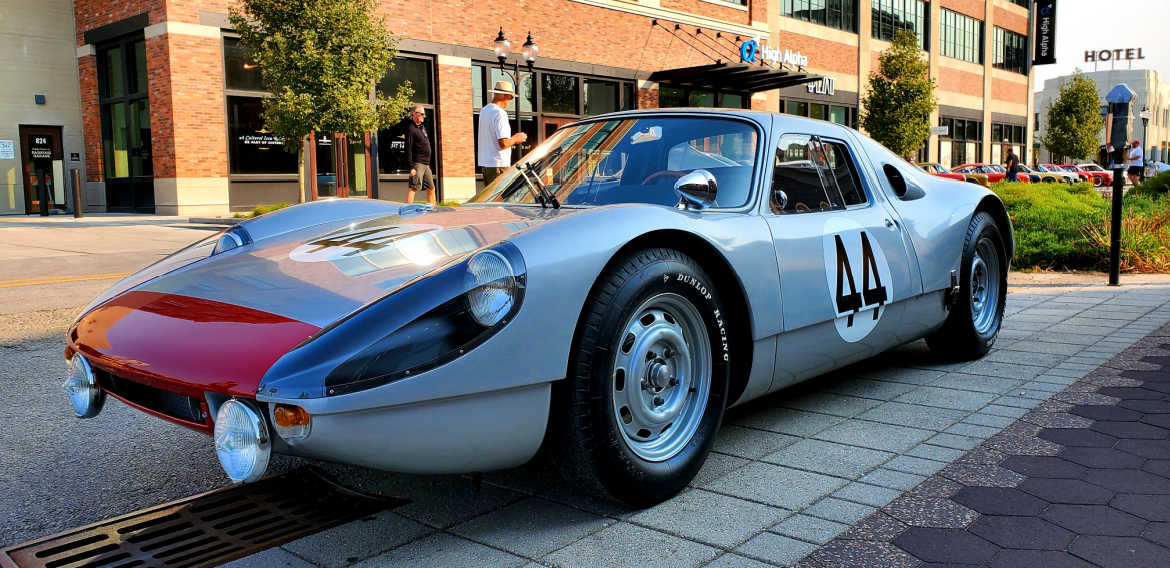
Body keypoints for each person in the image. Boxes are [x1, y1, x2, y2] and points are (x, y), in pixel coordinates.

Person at [477, 80, 527, 186]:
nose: (510, 101)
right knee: (501, 200)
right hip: (499, 165)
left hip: (486, 164)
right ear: (505, 96)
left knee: (491, 201)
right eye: (511, 97)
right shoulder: (500, 113)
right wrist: (517, 138)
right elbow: (503, 143)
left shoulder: (484, 111)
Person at [397, 104, 435, 205]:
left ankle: (433, 209)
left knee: (431, 188)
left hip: (426, 164)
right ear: (414, 114)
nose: (424, 116)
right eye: (422, 114)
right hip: (417, 163)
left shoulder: (421, 128)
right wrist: (411, 167)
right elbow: (408, 148)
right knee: (414, 187)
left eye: (424, 114)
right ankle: (407, 210)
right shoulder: (410, 129)